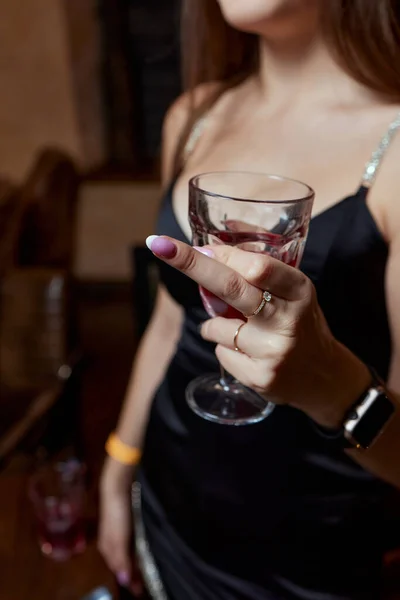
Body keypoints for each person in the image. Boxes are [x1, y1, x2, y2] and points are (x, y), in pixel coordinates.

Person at [99, 1, 400, 598]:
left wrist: (334, 385)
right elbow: (168, 322)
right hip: (166, 505)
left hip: (310, 561)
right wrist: (119, 463)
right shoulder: (195, 114)